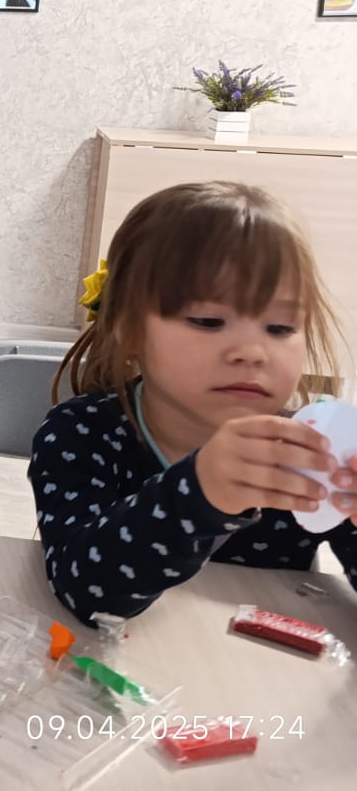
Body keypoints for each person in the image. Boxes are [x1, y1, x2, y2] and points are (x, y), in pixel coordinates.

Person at [30, 182, 357, 624]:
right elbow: (87, 593)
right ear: (128, 327)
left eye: (280, 328)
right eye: (208, 321)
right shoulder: (81, 433)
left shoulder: (310, 452)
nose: (252, 352)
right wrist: (201, 492)